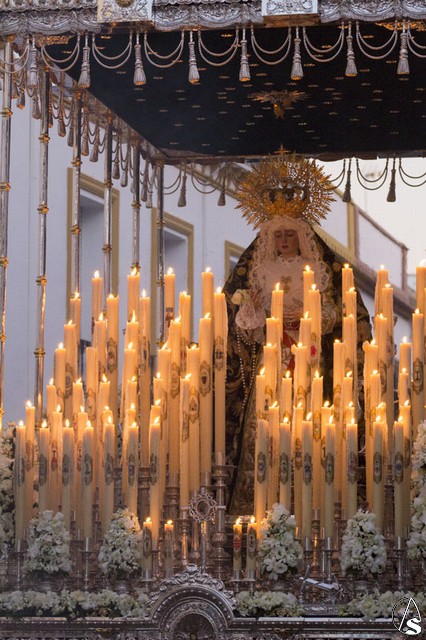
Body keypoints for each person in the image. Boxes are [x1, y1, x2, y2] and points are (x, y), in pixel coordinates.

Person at [223, 155, 372, 514]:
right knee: (264, 431)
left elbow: (337, 314)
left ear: (302, 236)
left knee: (311, 428)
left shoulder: (316, 270)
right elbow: (244, 329)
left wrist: (310, 315)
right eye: (278, 234)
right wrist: (255, 312)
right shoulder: (260, 271)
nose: (285, 240)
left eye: (290, 234)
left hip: (309, 360)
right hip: (271, 361)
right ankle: (257, 506)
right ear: (269, 237)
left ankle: (314, 507)